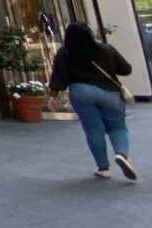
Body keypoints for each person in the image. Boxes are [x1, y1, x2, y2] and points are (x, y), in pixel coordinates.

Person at [47, 21, 136, 181]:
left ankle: (103, 168)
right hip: (109, 92)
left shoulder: (65, 52)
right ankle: (122, 154)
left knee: (93, 130)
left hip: (80, 91)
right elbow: (126, 69)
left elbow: (60, 77)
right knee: (118, 127)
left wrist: (53, 96)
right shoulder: (105, 49)